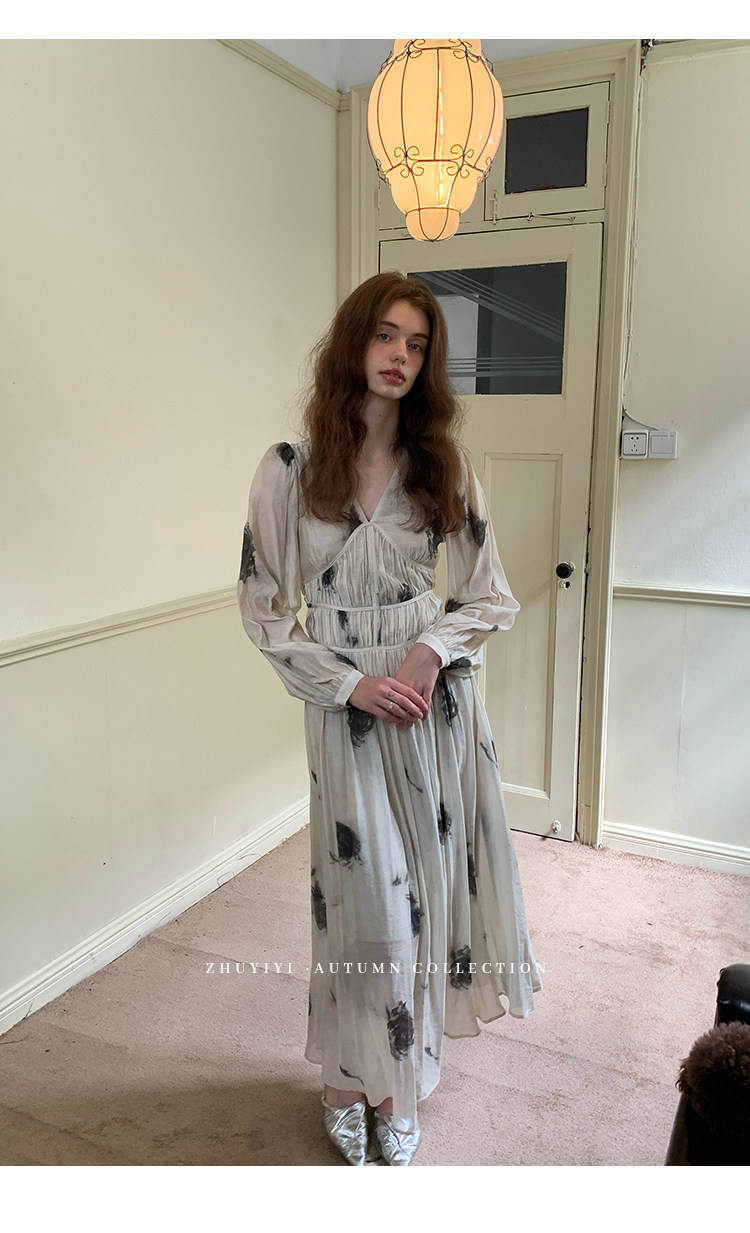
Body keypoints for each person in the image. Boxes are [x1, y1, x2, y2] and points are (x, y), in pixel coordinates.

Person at [237, 271, 542, 1166]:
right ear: (352, 344)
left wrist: (429, 650)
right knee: (371, 907)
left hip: (433, 713)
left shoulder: (444, 466)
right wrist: (348, 684)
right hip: (348, 718)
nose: (400, 355)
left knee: (425, 901)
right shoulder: (289, 470)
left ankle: (394, 1084)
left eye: (417, 344)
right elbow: (264, 609)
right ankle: (348, 1077)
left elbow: (491, 596)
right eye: (385, 336)